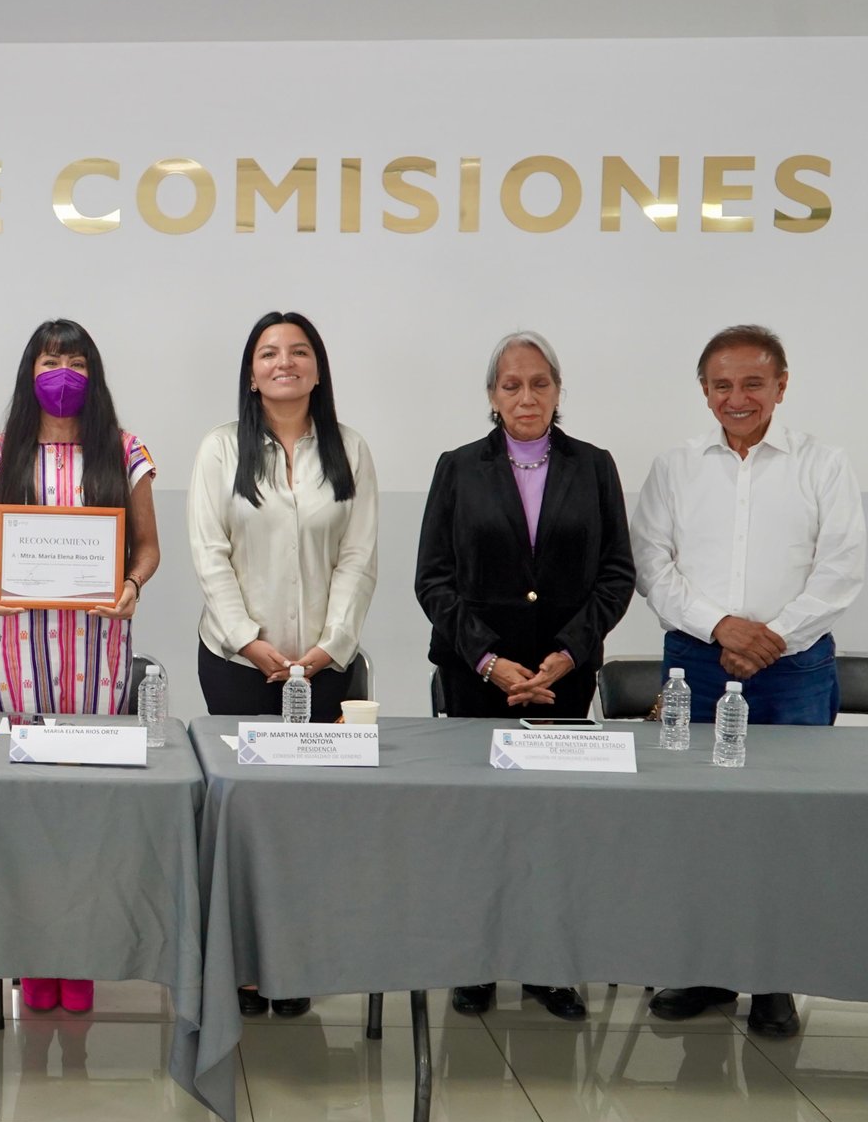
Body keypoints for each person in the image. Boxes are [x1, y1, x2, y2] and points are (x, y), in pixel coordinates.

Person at [631, 323, 865, 1038]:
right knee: (699, 822)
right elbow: (651, 563)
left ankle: (773, 980)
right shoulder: (675, 467)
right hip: (697, 665)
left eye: (753, 383)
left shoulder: (824, 465)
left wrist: (772, 638)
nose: (738, 398)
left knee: (783, 826)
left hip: (794, 670)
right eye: (722, 385)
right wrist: (721, 628)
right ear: (705, 391)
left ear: (781, 386)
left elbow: (842, 566)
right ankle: (705, 968)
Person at [415, 330, 634, 1022]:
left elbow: (616, 575)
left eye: (540, 383)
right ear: (492, 395)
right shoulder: (458, 468)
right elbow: (434, 580)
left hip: (563, 678)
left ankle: (547, 967)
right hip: (475, 677)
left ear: (558, 390)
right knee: (480, 826)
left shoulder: (594, 467)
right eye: (511, 385)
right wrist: (489, 660)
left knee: (552, 827)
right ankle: (475, 964)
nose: (527, 396)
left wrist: (567, 654)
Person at [187, 310, 378, 1018]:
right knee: (246, 817)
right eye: (269, 353)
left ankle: (295, 963)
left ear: (318, 369)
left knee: (308, 818)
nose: (284, 363)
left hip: (324, 669)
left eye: (299, 352)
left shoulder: (349, 449)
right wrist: (248, 640)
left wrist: (333, 644)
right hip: (238, 665)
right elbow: (210, 554)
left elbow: (359, 556)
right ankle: (240, 965)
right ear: (251, 373)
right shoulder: (220, 448)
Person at [0, 318, 160, 1015]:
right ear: (30, 373)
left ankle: (79, 952)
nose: (64, 375)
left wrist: (131, 584)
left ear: (94, 374)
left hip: (97, 655)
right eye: (51, 363)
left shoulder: (124, 451)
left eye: (76, 363)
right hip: (18, 655)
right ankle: (30, 953)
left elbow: (147, 547)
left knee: (88, 809)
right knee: (24, 809)